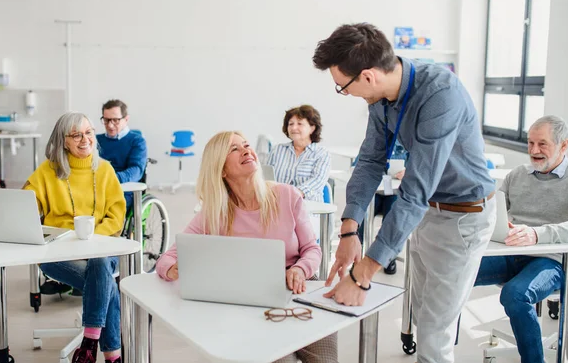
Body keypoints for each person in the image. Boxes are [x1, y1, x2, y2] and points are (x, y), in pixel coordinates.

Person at [312, 23, 496, 363]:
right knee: (421, 309)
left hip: (463, 217)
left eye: (342, 87)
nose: (344, 93)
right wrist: (350, 228)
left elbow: (414, 192)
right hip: (428, 214)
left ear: (367, 76)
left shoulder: (441, 94)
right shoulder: (381, 96)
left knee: (434, 333)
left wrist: (363, 274)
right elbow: (370, 160)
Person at [156, 131, 337, 363]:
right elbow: (167, 258)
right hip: (248, 298)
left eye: (246, 145)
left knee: (325, 359)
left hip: (300, 287)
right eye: (234, 149)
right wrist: (173, 269)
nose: (246, 150)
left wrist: (300, 270)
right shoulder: (213, 213)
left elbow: (312, 249)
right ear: (221, 169)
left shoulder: (287, 195)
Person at [474, 116, 568, 363]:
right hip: (509, 252)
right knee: (455, 274)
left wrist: (536, 234)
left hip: (553, 261)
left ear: (564, 145)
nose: (533, 150)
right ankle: (442, 354)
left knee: (515, 294)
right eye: (530, 143)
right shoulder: (516, 175)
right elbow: (493, 214)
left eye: (542, 144)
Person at [24, 112, 126, 363]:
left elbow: (116, 217)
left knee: (100, 263)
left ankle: (89, 343)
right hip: (58, 254)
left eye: (89, 132)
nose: (85, 139)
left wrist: (90, 240)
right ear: (63, 140)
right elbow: (25, 207)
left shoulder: (104, 170)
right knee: (108, 286)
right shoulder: (48, 172)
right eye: (76, 134)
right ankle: (113, 357)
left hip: (102, 249)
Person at [267, 105, 331, 239]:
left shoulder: (321, 154)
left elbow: (317, 182)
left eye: (300, 123)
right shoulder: (277, 150)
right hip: (278, 209)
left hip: (308, 212)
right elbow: (267, 177)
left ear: (312, 128)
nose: (294, 127)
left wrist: (291, 195)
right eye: (290, 124)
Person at [356, 139, 407, 275]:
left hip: (395, 193)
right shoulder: (374, 142)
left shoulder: (408, 146)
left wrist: (407, 172)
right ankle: (358, 250)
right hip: (376, 193)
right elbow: (358, 165)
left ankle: (387, 255)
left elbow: (419, 169)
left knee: (391, 215)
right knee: (362, 214)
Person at [96, 99, 147, 209]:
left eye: (115, 120)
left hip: (124, 189)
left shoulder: (137, 141)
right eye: (106, 120)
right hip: (97, 187)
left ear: (126, 119)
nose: (110, 125)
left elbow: (136, 170)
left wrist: (111, 179)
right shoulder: (96, 140)